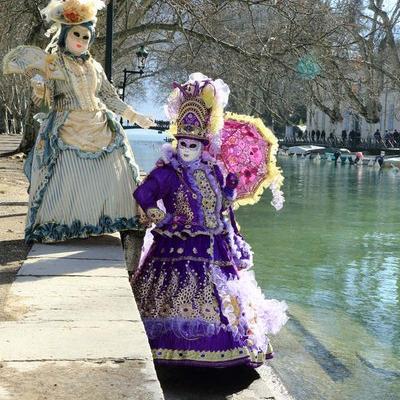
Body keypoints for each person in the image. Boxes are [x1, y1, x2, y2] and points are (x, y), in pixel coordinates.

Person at [131, 74, 288, 368]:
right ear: (177, 141)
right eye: (184, 143)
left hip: (213, 244)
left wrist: (229, 188)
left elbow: (222, 206)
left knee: (224, 300)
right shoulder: (167, 172)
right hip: (175, 244)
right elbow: (143, 193)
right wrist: (161, 217)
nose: (188, 148)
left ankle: (230, 349)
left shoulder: (213, 171)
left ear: (203, 145)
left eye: (194, 144)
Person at [4, 0, 153, 273]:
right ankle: (61, 226)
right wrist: (40, 88)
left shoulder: (95, 66)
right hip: (67, 126)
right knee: (68, 178)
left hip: (99, 124)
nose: (81, 40)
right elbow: (45, 102)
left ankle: (104, 220)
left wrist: (136, 117)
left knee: (114, 174)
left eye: (86, 36)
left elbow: (108, 96)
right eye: (76, 34)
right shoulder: (53, 63)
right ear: (65, 34)